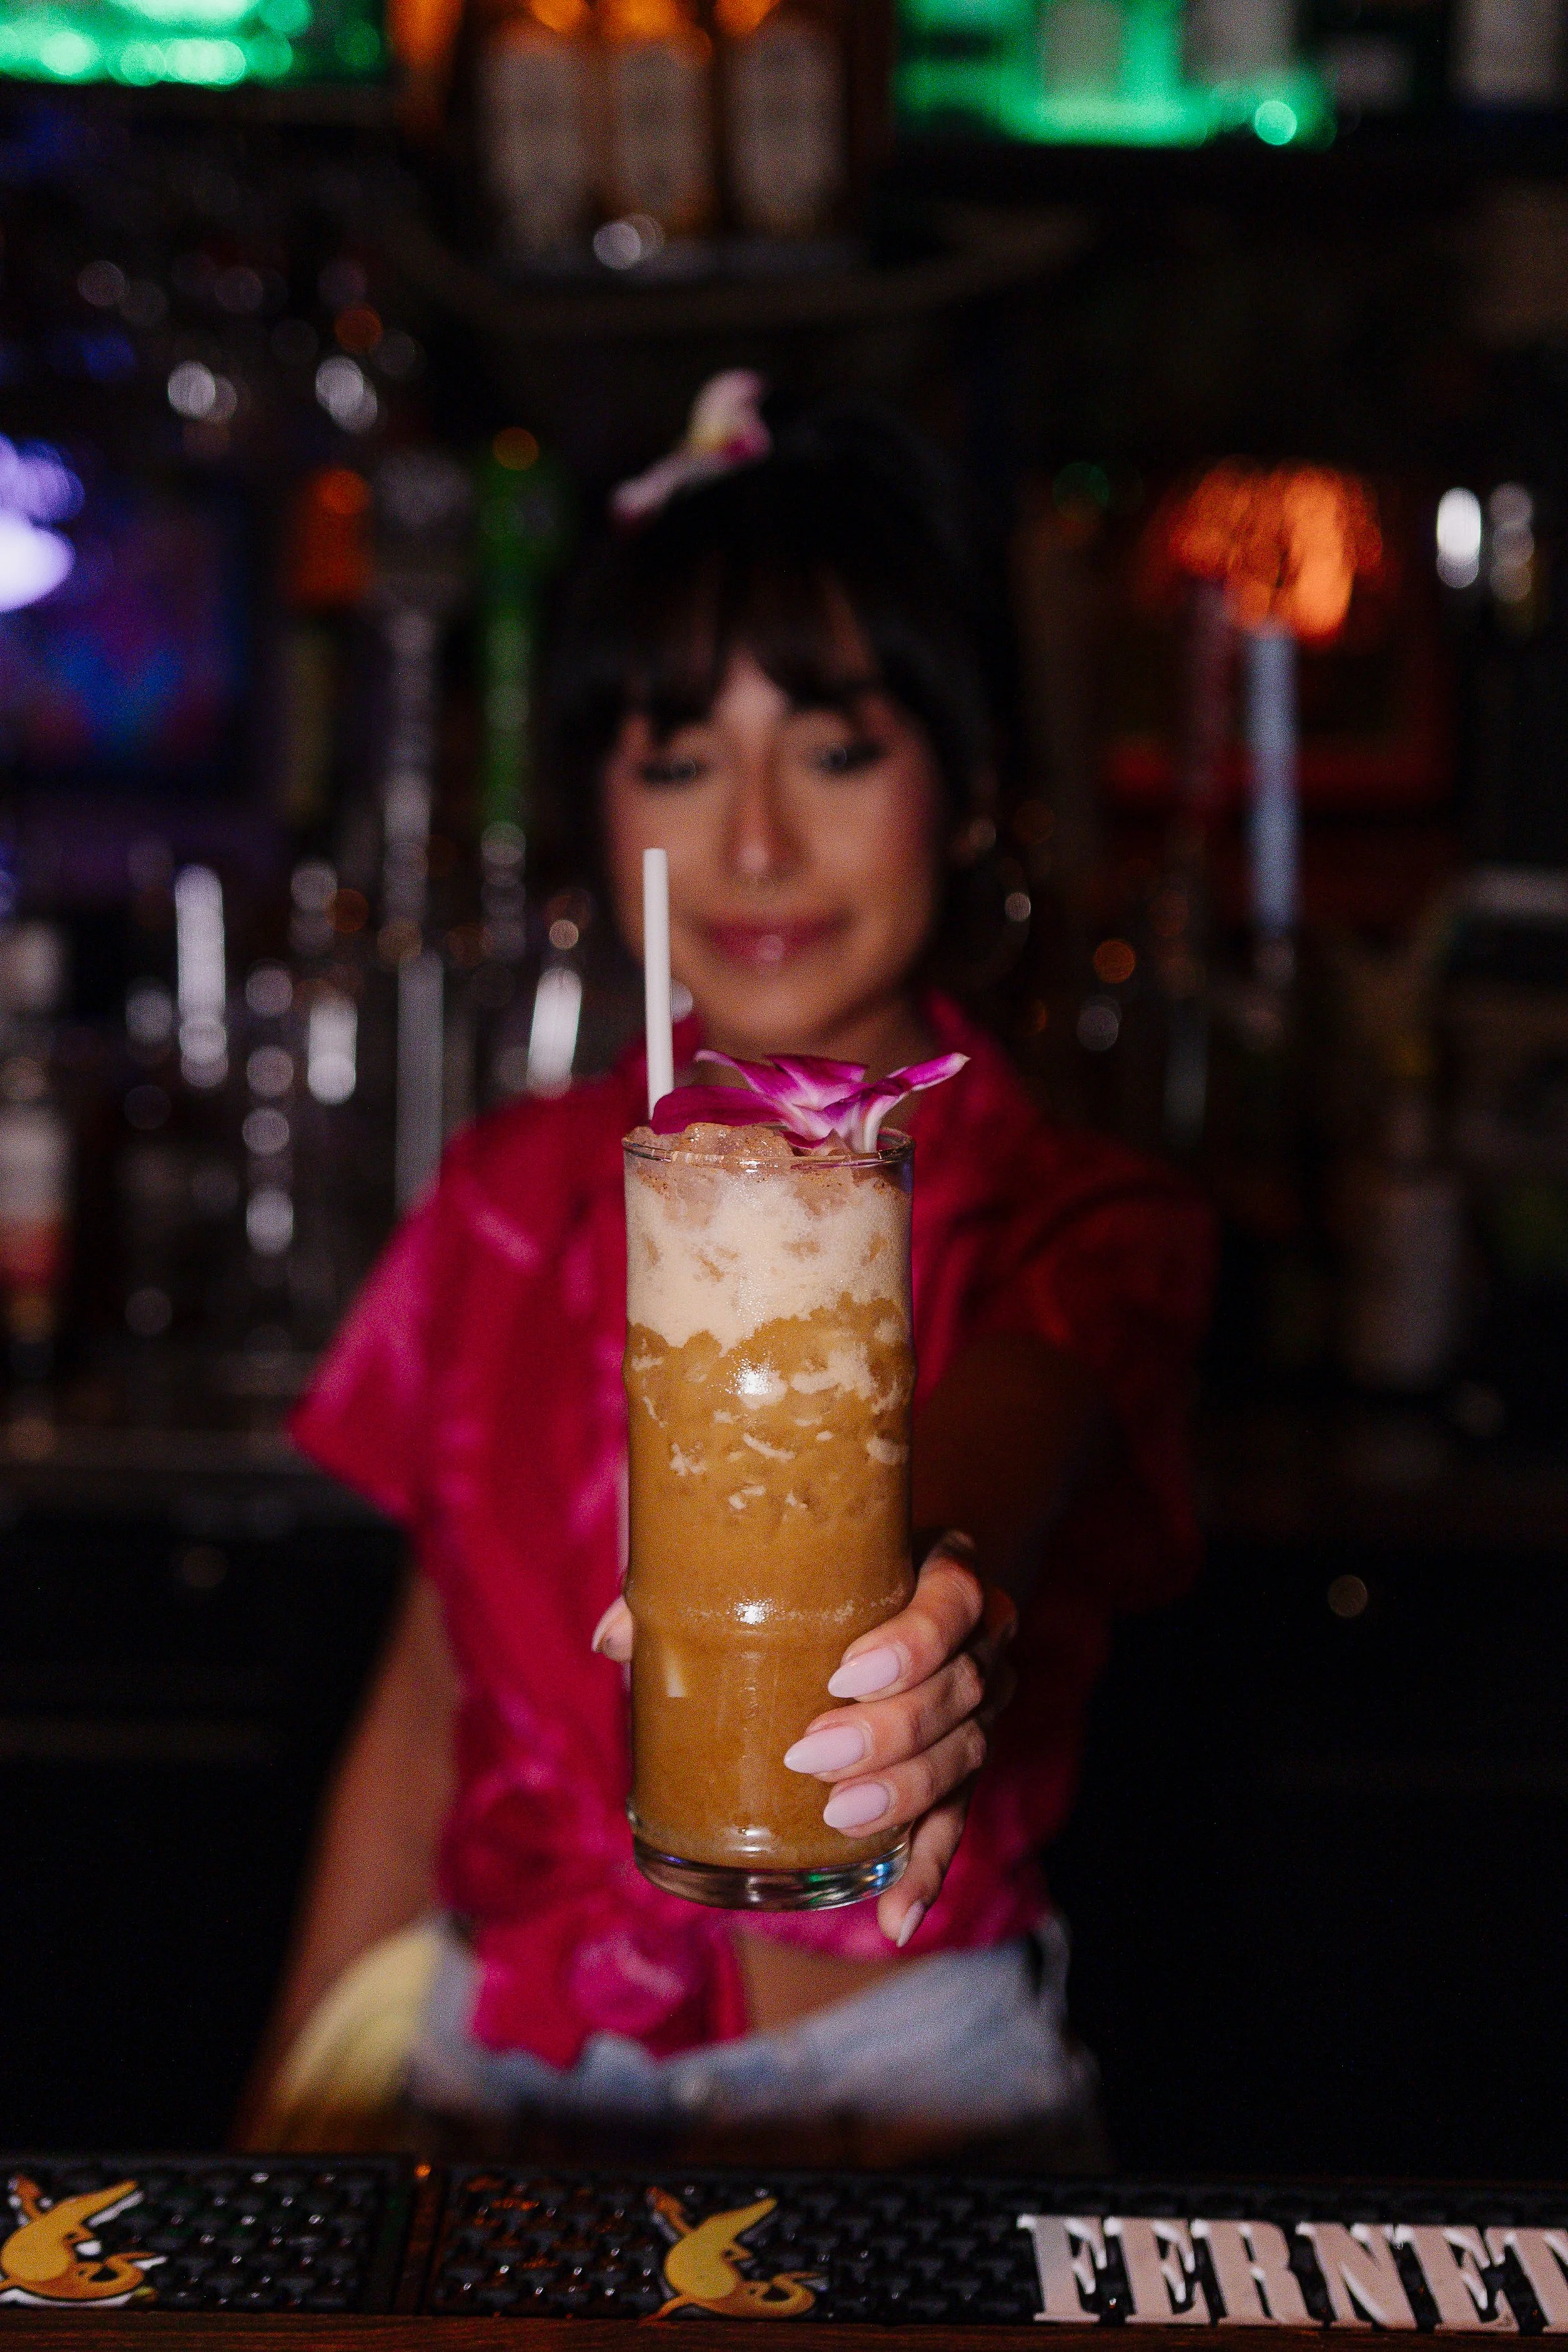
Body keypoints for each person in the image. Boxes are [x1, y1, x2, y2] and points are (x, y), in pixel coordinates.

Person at [240, 383, 1212, 2166]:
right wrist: (281, 2137)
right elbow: (417, 1721)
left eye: (835, 749)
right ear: (601, 809)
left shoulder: (1076, 1213)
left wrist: (934, 1628)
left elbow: (994, 1465)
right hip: (479, 2074)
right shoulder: (508, 1192)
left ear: (968, 787)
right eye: (677, 756)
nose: (753, 841)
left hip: (892, 2093)